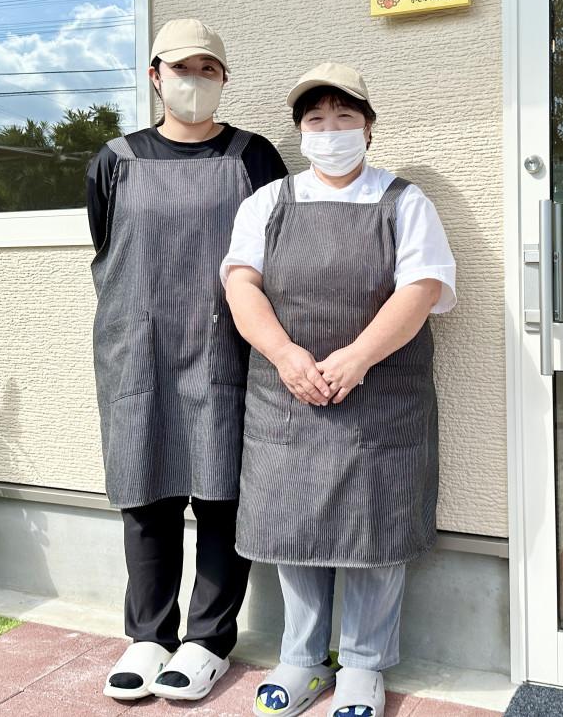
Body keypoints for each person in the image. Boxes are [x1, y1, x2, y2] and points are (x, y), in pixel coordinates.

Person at [222, 62, 456, 717]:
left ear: (369, 129)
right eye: (316, 120)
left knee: (376, 527)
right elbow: (241, 285)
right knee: (293, 526)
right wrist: (285, 355)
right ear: (300, 133)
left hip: (381, 396)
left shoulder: (405, 201)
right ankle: (301, 659)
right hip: (286, 392)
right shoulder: (267, 203)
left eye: (344, 119)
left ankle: (363, 667)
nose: (330, 132)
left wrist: (357, 357)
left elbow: (422, 290)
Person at [87, 18, 288, 701]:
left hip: (224, 345)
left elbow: (277, 253)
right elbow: (105, 246)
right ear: (154, 77)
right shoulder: (115, 159)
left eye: (208, 69)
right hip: (137, 349)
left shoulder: (252, 157)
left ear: (224, 79)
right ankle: (148, 635)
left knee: (220, 492)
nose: (194, 81)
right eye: (181, 68)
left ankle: (207, 639)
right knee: (147, 490)